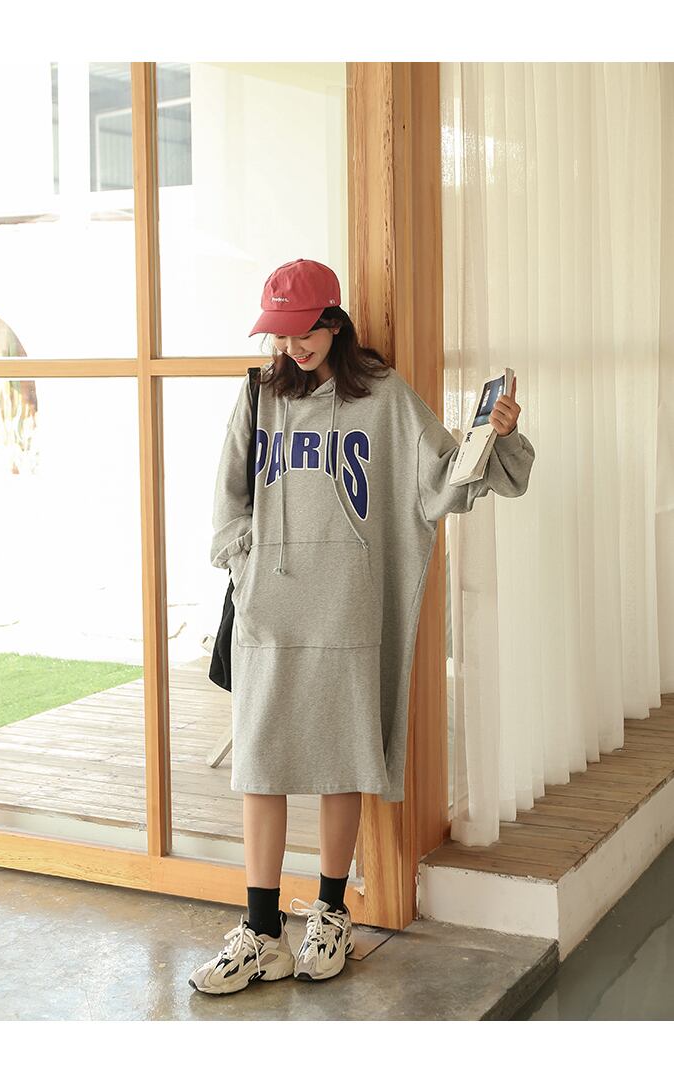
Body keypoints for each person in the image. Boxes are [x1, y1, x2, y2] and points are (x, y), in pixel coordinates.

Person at [188, 258, 535, 996]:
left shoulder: (382, 396)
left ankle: (331, 914)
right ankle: (261, 932)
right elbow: (227, 507)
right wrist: (250, 565)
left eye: (303, 332)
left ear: (334, 322)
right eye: (279, 335)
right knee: (260, 765)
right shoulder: (257, 396)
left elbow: (444, 476)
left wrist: (497, 436)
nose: (291, 348)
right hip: (270, 612)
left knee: (341, 760)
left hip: (346, 608)